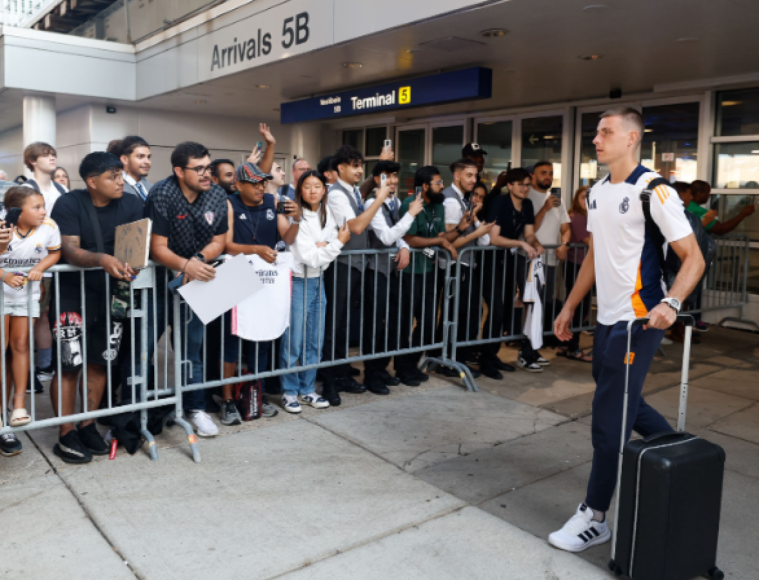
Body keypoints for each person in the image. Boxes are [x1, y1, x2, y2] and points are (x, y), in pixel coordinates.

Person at [550, 106, 704, 553]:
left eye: (605, 132)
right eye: (596, 132)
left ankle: (595, 516)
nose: (596, 139)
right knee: (618, 394)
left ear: (632, 138)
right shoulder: (596, 192)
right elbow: (596, 258)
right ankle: (680, 452)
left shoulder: (654, 191)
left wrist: (672, 303)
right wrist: (570, 306)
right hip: (606, 317)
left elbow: (693, 258)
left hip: (641, 318)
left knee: (609, 414)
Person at [49, 152, 143, 464]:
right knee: (69, 364)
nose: (120, 181)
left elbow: (134, 250)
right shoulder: (70, 203)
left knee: (101, 361)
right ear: (92, 181)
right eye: (112, 177)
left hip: (113, 294)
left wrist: (134, 265)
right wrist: (102, 259)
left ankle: (87, 423)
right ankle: (65, 432)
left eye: (121, 175)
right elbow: (71, 250)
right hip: (72, 295)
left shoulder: (130, 204)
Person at [146, 141, 229, 438]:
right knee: (144, 348)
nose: (207, 174)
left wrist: (198, 263)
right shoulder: (163, 192)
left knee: (191, 349)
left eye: (208, 166)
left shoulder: (217, 193)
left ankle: (195, 408)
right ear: (179, 171)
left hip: (196, 280)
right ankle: (139, 412)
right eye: (199, 169)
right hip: (156, 282)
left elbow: (220, 240)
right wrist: (186, 266)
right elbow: (157, 248)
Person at [219, 162, 300, 422]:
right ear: (239, 185)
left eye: (262, 181)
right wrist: (255, 250)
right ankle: (228, 399)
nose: (260, 186)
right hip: (236, 275)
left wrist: (298, 218)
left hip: (266, 278)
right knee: (232, 342)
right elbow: (227, 245)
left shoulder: (271, 200)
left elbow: (287, 238)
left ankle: (255, 393)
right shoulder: (230, 203)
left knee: (262, 339)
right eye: (253, 182)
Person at [320, 145, 391, 404]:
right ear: (340, 168)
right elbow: (357, 227)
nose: (359, 169)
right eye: (354, 165)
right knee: (333, 326)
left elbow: (360, 196)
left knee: (343, 326)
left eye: (361, 165)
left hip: (355, 265)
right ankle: (328, 382)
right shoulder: (336, 194)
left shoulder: (350, 191)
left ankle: (340, 375)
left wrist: (375, 178)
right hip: (341, 265)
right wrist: (380, 196)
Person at [279, 171, 349, 412]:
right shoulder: (296, 215)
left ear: (324, 190)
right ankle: (289, 391)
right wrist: (335, 244)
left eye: (317, 186)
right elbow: (308, 256)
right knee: (293, 341)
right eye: (307, 186)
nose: (312, 191)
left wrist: (325, 248)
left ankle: (307, 388)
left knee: (314, 341)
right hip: (298, 282)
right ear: (299, 190)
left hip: (318, 281)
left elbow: (321, 260)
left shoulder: (327, 214)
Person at [0, 187, 61, 455]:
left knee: (20, 347)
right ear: (16, 210)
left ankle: (16, 408)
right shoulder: (3, 226)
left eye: (43, 206)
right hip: (2, 296)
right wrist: (3, 273)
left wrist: (39, 268)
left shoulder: (48, 226)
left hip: (26, 297)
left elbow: (54, 252)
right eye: (36, 207)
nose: (43, 211)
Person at [362, 160, 421, 394]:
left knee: (393, 322)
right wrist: (411, 215)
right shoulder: (370, 203)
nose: (393, 180)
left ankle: (381, 368)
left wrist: (404, 246)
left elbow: (398, 236)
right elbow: (386, 237)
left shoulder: (395, 202)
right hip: (375, 271)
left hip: (393, 270)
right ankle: (371, 374)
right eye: (387, 176)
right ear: (377, 180)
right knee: (374, 324)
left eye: (395, 176)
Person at [396, 166, 459, 384]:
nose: (442, 186)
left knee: (428, 322)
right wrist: (440, 242)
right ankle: (402, 368)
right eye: (438, 183)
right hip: (408, 272)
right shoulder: (410, 205)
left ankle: (412, 364)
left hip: (429, 270)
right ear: (424, 186)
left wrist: (459, 230)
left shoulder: (438, 206)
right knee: (404, 323)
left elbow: (437, 237)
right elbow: (410, 239)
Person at [483, 167, 545, 375]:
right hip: (491, 261)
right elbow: (494, 237)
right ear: (509, 185)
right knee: (496, 309)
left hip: (508, 260)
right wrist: (520, 245)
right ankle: (486, 359)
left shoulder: (527, 204)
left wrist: (535, 243)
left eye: (528, 185)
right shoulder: (499, 203)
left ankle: (493, 355)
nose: (525, 188)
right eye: (521, 184)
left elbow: (528, 233)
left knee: (506, 309)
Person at [437, 159, 494, 378]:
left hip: (463, 264)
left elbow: (481, 240)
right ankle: (451, 360)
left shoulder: (463, 200)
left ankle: (456, 359)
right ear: (457, 175)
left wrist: (476, 222)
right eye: (469, 175)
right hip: (455, 265)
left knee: (466, 313)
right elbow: (449, 243)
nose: (474, 179)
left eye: (475, 175)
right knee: (457, 315)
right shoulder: (452, 202)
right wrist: (476, 234)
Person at [22, 142, 66, 394]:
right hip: (33, 264)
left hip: (56, 262)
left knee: (46, 315)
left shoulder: (60, 188)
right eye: (45, 155)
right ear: (32, 160)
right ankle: (26, 370)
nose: (51, 158)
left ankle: (44, 365)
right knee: (29, 316)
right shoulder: (26, 188)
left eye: (53, 154)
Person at [528, 162, 571, 316]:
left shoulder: (558, 200)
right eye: (543, 173)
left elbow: (566, 229)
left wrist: (565, 244)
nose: (548, 177)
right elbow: (529, 229)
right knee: (530, 300)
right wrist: (545, 208)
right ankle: (526, 337)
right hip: (530, 258)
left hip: (551, 259)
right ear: (532, 175)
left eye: (551, 173)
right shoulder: (527, 197)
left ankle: (540, 335)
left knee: (546, 299)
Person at [557, 186, 593, 362]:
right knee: (578, 308)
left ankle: (566, 344)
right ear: (576, 200)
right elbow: (592, 242)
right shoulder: (577, 218)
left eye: (589, 197)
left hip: (583, 265)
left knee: (581, 308)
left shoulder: (589, 217)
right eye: (583, 198)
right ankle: (572, 347)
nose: (586, 201)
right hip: (576, 266)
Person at [688, 180, 755, 236]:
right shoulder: (698, 211)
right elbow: (721, 229)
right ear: (699, 193)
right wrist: (742, 214)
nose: (709, 196)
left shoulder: (686, 206)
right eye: (707, 193)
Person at [118, 136, 153, 201]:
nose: (147, 161)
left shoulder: (151, 188)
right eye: (140, 157)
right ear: (125, 159)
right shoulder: (117, 188)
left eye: (148, 157)